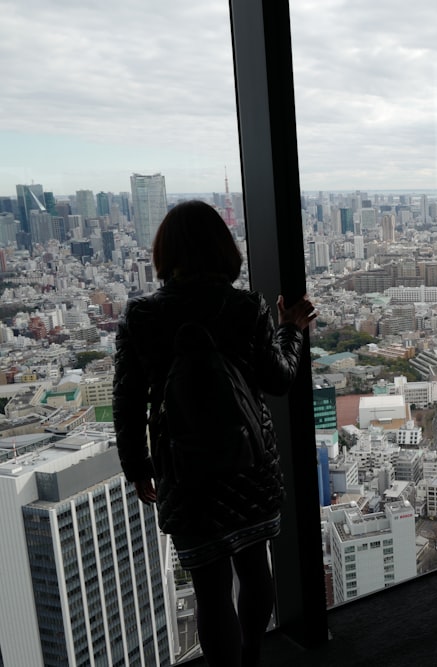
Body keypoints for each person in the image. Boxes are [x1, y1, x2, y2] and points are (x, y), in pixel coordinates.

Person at [113, 200, 316, 666]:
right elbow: (279, 378)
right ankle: (252, 656)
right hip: (249, 462)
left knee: (209, 588)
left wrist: (138, 468)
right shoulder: (244, 306)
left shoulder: (140, 317)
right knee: (253, 564)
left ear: (165, 254)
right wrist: (292, 330)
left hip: (184, 471)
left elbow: (126, 403)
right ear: (224, 250)